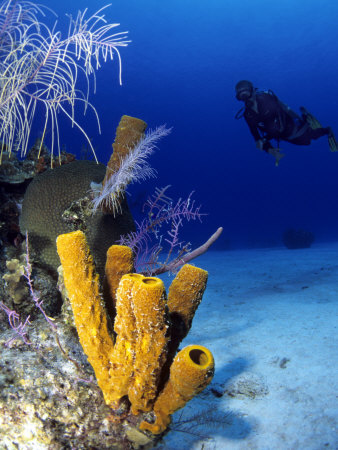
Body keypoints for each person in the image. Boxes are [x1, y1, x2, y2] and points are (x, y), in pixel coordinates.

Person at [235, 80, 338, 166]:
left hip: (291, 129)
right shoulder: (247, 115)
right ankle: (305, 118)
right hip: (283, 136)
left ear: (253, 91)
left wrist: (266, 138)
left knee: (307, 140)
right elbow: (256, 138)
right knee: (304, 143)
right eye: (241, 97)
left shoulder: (266, 99)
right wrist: (271, 151)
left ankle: (324, 128)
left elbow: (280, 122)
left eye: (246, 94)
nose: (245, 99)